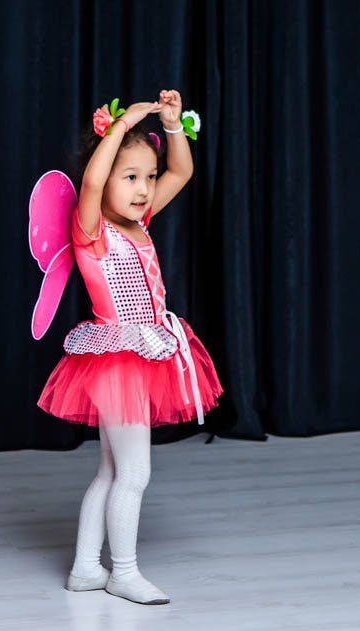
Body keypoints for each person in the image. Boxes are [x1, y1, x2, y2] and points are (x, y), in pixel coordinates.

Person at [38, 91, 222, 604]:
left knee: (112, 470)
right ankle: (123, 572)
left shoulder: (139, 222)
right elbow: (92, 183)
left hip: (146, 351)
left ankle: (84, 568)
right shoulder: (91, 228)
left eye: (148, 176)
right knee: (135, 473)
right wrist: (121, 127)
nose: (143, 189)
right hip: (117, 360)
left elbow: (182, 171)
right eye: (130, 177)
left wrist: (172, 125)